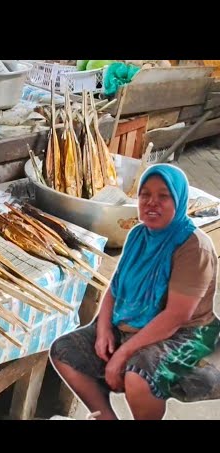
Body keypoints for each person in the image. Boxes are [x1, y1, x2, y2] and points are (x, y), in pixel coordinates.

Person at [50, 164, 220, 420]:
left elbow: (176, 316)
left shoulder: (194, 248)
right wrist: (104, 329)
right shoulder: (139, 235)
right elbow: (115, 288)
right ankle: (104, 416)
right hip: (131, 322)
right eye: (145, 194)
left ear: (179, 199)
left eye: (163, 196)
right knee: (63, 351)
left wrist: (122, 354)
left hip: (187, 332)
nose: (152, 202)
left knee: (137, 376)